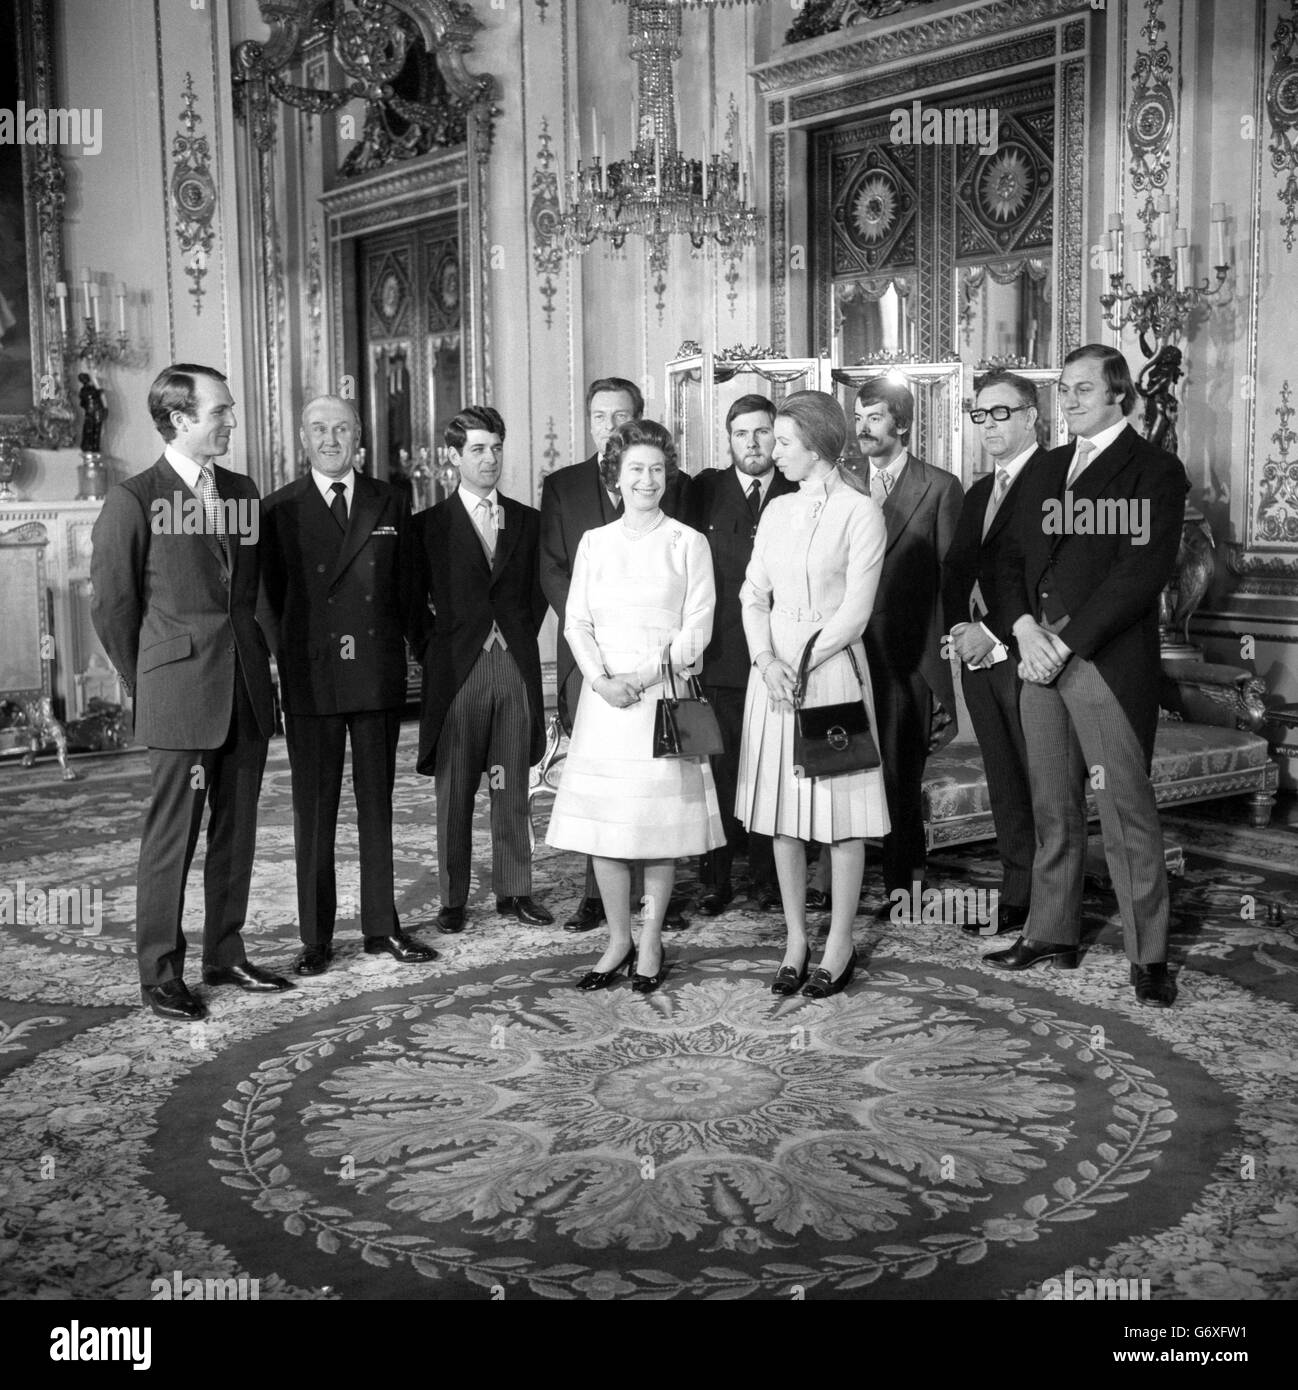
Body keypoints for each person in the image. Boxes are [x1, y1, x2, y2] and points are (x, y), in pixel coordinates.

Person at [989, 344, 1188, 1007]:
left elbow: (1141, 573)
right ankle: (1052, 930)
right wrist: (1020, 629)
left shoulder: (1154, 469)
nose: (1068, 401)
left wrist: (1065, 642)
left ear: (1118, 396)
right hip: (1035, 655)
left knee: (1124, 810)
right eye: (1063, 391)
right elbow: (1008, 560)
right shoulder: (1045, 468)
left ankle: (1149, 953)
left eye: (1082, 390)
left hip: (1103, 661)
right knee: (1052, 804)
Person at [90, 363, 289, 1021]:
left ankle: (224, 953)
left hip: (245, 690)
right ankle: (160, 973)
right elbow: (115, 609)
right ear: (179, 419)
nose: (231, 421)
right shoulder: (134, 499)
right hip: (180, 695)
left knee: (235, 835)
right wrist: (151, 680)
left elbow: (253, 592)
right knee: (171, 837)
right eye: (220, 412)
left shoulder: (240, 490)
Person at [259, 395, 436, 974]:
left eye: (340, 428)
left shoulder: (391, 498)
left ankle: (382, 928)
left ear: (358, 436)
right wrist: (289, 658)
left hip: (377, 673)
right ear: (302, 438)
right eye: (318, 428)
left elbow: (408, 590)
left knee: (378, 806)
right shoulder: (277, 508)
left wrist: (428, 655)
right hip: (312, 676)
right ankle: (316, 940)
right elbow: (270, 601)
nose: (329, 438)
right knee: (315, 812)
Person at [545, 419, 722, 995]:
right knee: (609, 829)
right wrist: (599, 681)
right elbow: (576, 622)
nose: (647, 479)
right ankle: (617, 938)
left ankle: (650, 939)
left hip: (662, 697)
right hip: (606, 704)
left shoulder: (687, 543)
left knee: (657, 826)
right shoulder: (594, 543)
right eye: (635, 470)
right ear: (615, 479)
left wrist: (642, 677)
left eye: (656, 469)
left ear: (668, 475)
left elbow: (697, 628)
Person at [736, 390, 889, 999]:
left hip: (832, 677)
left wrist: (799, 661)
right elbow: (752, 595)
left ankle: (840, 941)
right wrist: (766, 660)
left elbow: (854, 614)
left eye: (783, 443)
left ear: (820, 446)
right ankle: (796, 938)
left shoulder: (860, 513)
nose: (773, 452)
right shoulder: (776, 512)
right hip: (773, 680)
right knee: (782, 814)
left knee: (840, 816)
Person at [539, 376, 688, 932]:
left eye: (620, 416)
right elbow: (557, 573)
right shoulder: (564, 487)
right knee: (602, 790)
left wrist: (647, 669)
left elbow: (693, 609)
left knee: (655, 795)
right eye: (600, 417)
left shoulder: (679, 519)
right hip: (593, 667)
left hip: (660, 675)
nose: (610, 426)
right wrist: (598, 664)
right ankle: (597, 903)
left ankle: (655, 915)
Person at [412, 405, 552, 934]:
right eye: (477, 449)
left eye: (495, 447)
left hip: (513, 666)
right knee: (455, 791)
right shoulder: (426, 527)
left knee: (510, 782)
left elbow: (538, 592)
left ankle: (514, 890)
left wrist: (514, 634)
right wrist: (438, 649)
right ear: (453, 457)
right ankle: (452, 899)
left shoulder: (527, 520)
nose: (489, 458)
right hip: (456, 670)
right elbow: (409, 606)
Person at [941, 370, 1048, 938]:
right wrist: (961, 629)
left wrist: (997, 634)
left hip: (1031, 656)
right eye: (980, 415)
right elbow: (957, 569)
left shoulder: (1056, 480)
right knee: (1003, 776)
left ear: (1032, 415)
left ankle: (1054, 899)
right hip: (977, 658)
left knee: (1044, 781)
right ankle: (1017, 891)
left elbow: (1048, 580)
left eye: (1001, 412)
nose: (989, 426)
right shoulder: (980, 490)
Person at [684, 393, 795, 914]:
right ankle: (717, 878)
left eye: (761, 432)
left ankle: (770, 879)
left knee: (775, 769)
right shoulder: (704, 490)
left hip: (783, 657)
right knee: (720, 770)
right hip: (721, 659)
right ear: (727, 440)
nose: (752, 443)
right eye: (741, 434)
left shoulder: (798, 489)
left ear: (778, 435)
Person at [855, 377, 963, 917]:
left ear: (901, 422)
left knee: (901, 775)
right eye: (859, 418)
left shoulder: (940, 487)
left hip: (909, 656)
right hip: (847, 653)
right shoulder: (844, 485)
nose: (863, 429)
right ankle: (840, 883)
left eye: (874, 417)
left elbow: (952, 583)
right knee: (845, 765)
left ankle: (904, 889)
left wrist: (940, 676)